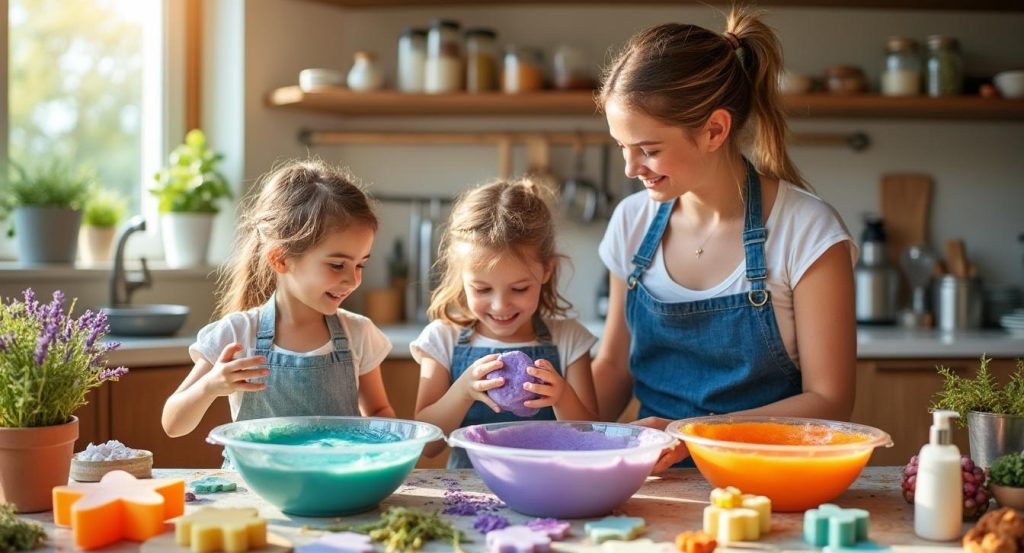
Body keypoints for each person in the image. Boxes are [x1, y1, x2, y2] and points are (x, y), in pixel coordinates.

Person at [592, 7, 857, 470]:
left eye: (649, 150)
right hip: (652, 482)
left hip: (770, 480)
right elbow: (615, 368)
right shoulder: (631, 222)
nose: (631, 169)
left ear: (714, 130)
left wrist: (687, 434)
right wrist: (553, 422)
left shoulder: (807, 230)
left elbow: (831, 402)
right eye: (622, 148)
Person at [162, 159, 395, 440]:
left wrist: (386, 438)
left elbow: (379, 411)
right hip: (254, 484)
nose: (353, 280)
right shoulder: (237, 334)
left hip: (336, 483)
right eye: (337, 265)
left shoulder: (358, 333)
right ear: (281, 259)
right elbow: (173, 425)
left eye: (360, 265)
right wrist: (210, 386)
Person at [412, 179, 599, 468]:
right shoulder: (442, 339)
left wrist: (561, 396)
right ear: (461, 276)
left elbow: (591, 441)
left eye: (520, 288)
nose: (500, 306)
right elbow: (428, 446)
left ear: (546, 270)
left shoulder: (569, 340)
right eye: (483, 289)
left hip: (551, 489)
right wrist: (462, 391)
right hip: (469, 492)